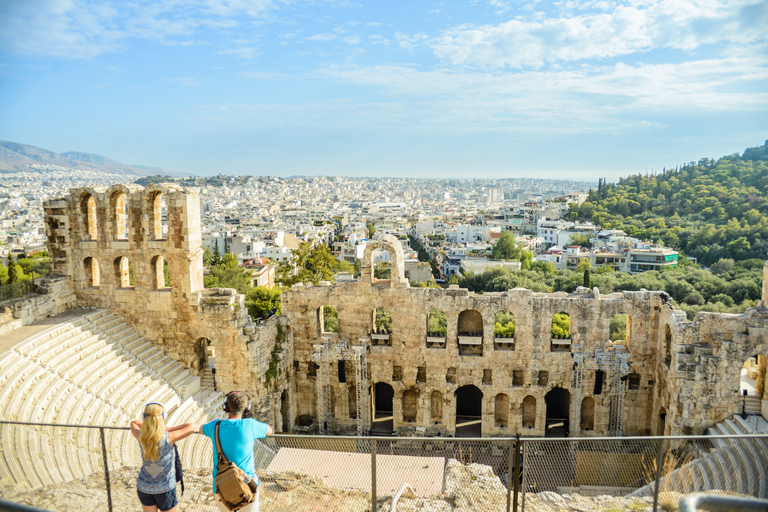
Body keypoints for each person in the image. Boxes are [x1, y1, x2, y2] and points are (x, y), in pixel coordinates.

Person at [200, 391, 273, 512]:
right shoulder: (250, 425)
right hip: (247, 487)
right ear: (246, 408)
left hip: (222, 489)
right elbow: (269, 430)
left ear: (226, 407)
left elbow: (200, 429)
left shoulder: (214, 426)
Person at [130, 402, 200, 512]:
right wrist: (169, 428)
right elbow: (193, 427)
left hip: (144, 486)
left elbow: (134, 423)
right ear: (163, 417)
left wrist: (150, 425)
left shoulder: (140, 435)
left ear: (144, 417)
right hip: (165, 488)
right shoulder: (168, 437)